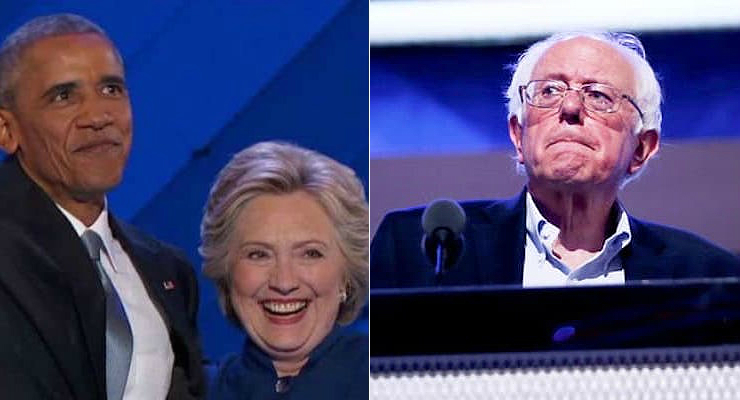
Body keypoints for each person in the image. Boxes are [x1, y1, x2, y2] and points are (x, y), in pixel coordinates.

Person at [371, 31, 740, 289]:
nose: (570, 107)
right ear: (518, 135)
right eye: (549, 91)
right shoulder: (418, 252)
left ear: (642, 149)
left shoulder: (707, 277)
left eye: (598, 96)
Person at [0, 14, 204, 399]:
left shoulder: (166, 270)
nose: (98, 117)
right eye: (63, 96)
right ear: (7, 130)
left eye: (111, 89)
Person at [201, 141, 369, 399]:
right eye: (258, 254)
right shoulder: (194, 390)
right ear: (227, 274)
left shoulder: (400, 380)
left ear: (346, 276)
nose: (284, 281)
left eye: (310, 254)